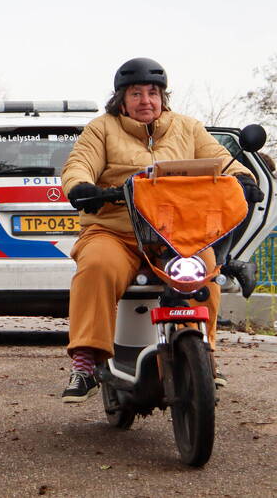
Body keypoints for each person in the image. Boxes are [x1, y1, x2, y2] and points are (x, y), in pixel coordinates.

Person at [60, 57, 263, 402]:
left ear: (163, 97)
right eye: (136, 93)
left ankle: (203, 353)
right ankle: (86, 362)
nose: (145, 101)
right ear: (121, 99)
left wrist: (244, 180)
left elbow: (224, 162)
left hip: (177, 235)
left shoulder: (188, 128)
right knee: (96, 265)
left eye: (152, 93)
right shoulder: (101, 129)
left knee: (205, 264)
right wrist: (81, 186)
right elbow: (79, 163)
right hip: (116, 231)